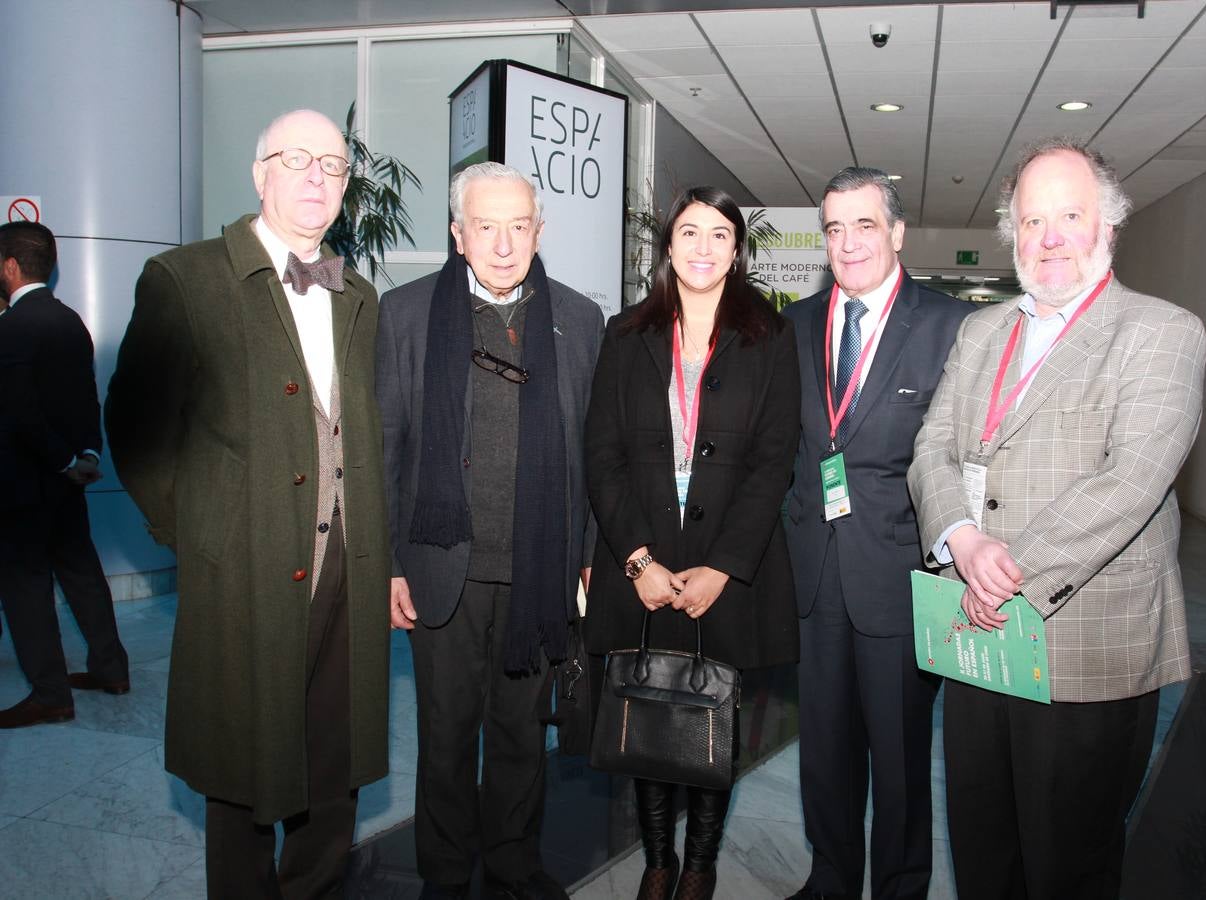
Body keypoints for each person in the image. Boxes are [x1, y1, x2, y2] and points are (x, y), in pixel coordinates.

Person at [908, 137, 1206, 900]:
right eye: (1032, 221)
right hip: (978, 639)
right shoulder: (982, 331)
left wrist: (1004, 573)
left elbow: (1131, 481)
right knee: (983, 850)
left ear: (1108, 224)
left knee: (1067, 866)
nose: (1050, 238)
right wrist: (963, 540)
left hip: (1086, 650)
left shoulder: (1161, 331)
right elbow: (933, 445)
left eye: (1069, 215)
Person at [106, 109, 391, 899]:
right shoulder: (187, 279)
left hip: (348, 568)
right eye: (295, 160)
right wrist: (204, 535)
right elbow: (137, 430)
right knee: (240, 758)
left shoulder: (358, 296)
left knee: (333, 752)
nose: (315, 178)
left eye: (332, 166)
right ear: (259, 172)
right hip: (245, 568)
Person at [377, 161, 603, 900]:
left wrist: (593, 559)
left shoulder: (579, 320)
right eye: (485, 226)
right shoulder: (406, 314)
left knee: (520, 740)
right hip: (442, 569)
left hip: (541, 570)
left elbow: (597, 453)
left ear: (540, 230)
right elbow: (384, 446)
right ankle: (444, 875)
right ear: (457, 233)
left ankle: (512, 864)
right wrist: (386, 565)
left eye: (518, 226)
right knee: (444, 740)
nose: (503, 244)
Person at [585, 185, 800, 900]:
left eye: (718, 234)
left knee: (713, 713)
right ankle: (657, 861)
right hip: (643, 561)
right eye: (689, 233)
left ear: (736, 250)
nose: (703, 247)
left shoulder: (770, 337)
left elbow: (775, 461)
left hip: (728, 569)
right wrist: (639, 561)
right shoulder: (624, 335)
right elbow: (602, 457)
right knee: (649, 707)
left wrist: (724, 567)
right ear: (668, 245)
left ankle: (700, 863)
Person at [781, 167, 971, 900]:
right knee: (823, 752)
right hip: (815, 575)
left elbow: (964, 457)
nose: (849, 241)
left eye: (865, 225)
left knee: (897, 756)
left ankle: (899, 886)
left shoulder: (951, 326)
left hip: (899, 576)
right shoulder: (793, 325)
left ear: (895, 233)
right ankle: (830, 876)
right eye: (834, 228)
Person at [0, 220, 130, 729]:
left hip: (22, 480)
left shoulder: (12, 327)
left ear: (10, 265)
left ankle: (51, 694)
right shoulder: (69, 320)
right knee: (80, 571)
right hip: (68, 476)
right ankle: (111, 668)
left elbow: (18, 411)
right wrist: (85, 456)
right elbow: (83, 397)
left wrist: (56, 458)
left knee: (26, 586)